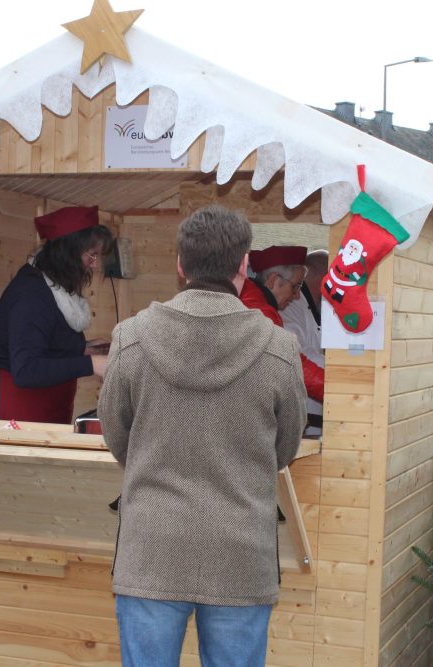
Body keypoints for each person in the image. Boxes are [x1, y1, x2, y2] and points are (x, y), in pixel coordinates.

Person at [98, 204, 306, 667]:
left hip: (151, 546)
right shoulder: (278, 348)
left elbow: (118, 437)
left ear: (180, 265)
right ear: (244, 265)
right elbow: (285, 447)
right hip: (240, 551)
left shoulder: (130, 338)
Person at [0, 205, 113, 424]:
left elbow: (43, 342)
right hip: (12, 413)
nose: (95, 264)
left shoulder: (51, 287)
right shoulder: (30, 295)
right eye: (92, 254)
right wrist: (91, 363)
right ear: (68, 251)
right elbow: (27, 369)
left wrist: (81, 348)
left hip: (40, 410)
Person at [240, 245, 325, 405]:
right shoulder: (260, 313)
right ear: (273, 280)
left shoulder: (255, 304)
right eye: (295, 286)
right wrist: (335, 390)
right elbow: (290, 363)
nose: (297, 295)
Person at [281, 249, 329, 435]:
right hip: (302, 419)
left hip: (317, 416)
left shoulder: (316, 305)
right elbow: (296, 352)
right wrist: (340, 370)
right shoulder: (288, 307)